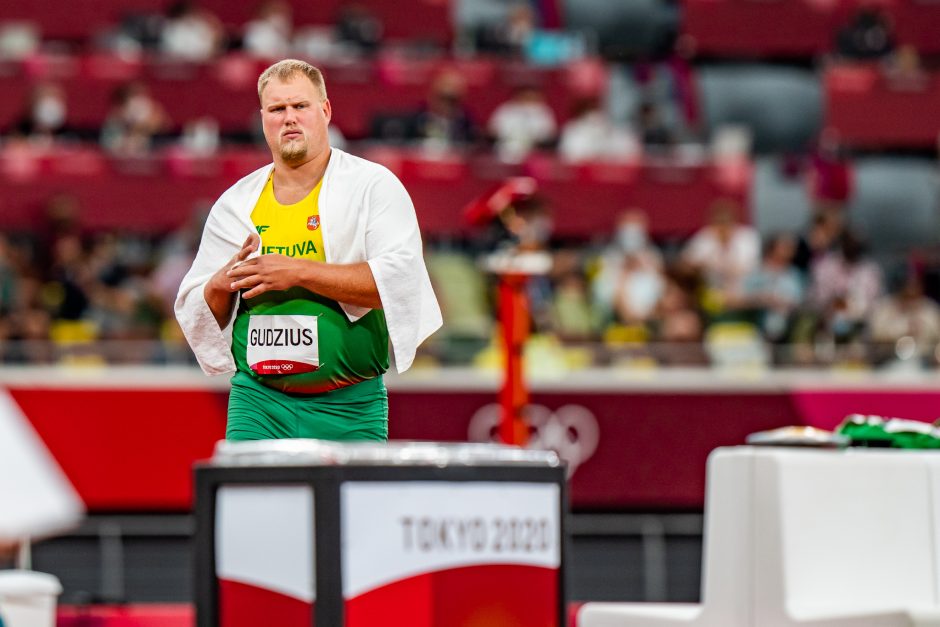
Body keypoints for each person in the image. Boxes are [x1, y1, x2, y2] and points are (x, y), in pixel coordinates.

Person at [175, 59, 442, 441]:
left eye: (300, 106)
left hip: (351, 407)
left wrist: (296, 272)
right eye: (277, 109)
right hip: (258, 404)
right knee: (250, 502)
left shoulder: (373, 187)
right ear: (262, 118)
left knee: (348, 504)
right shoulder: (235, 204)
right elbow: (201, 313)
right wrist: (220, 284)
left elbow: (400, 282)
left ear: (325, 110)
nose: (289, 118)